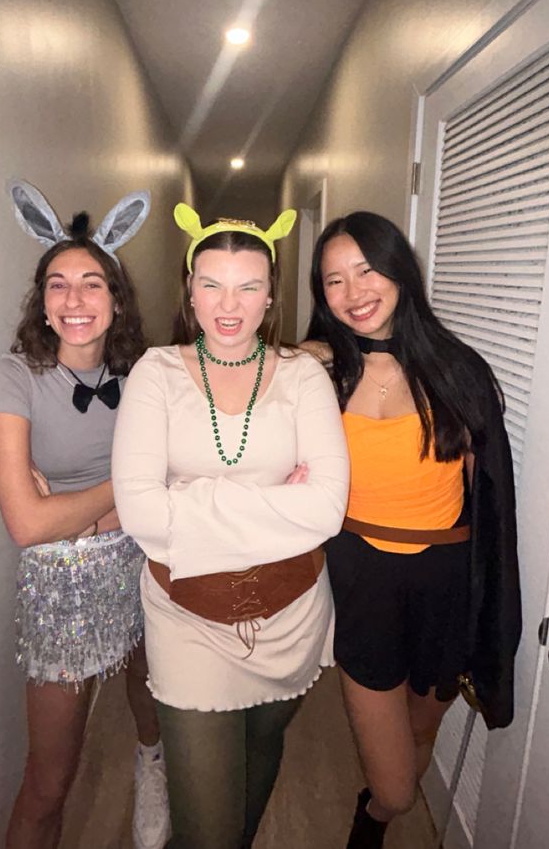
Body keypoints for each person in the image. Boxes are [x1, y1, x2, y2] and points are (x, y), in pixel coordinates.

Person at [111, 203, 349, 849]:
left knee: (263, 747)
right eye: (212, 283)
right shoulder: (154, 374)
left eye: (248, 286)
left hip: (293, 613)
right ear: (189, 288)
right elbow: (138, 511)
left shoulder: (303, 375)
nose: (228, 304)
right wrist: (274, 501)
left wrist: (188, 500)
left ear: (271, 294)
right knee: (206, 829)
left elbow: (327, 508)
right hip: (187, 617)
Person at [303, 211, 521, 848]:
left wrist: (490, 607)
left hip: (446, 583)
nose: (354, 292)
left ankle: (378, 811)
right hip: (362, 578)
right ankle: (373, 817)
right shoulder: (318, 373)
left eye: (367, 270)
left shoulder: (458, 371)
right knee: (397, 787)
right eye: (334, 280)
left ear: (401, 271)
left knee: (422, 731)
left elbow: (490, 503)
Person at [0, 181, 169, 849]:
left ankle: (152, 760)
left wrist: (75, 507)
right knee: (47, 780)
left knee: (149, 682)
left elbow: (172, 470)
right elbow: (28, 525)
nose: (74, 299)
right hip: (60, 580)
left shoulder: (147, 375)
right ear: (43, 301)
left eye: (92, 283)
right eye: (58, 284)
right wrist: (124, 488)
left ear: (116, 299)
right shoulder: (13, 377)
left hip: (144, 553)